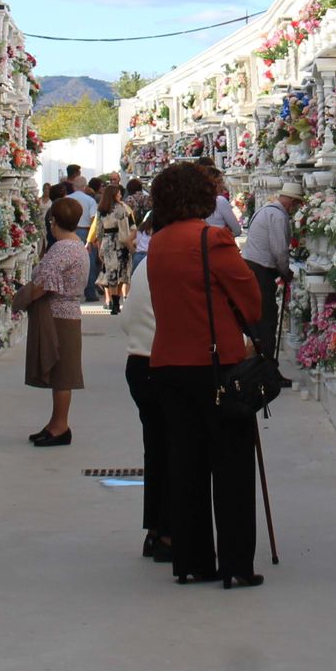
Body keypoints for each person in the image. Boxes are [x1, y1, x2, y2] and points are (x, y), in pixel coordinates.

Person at [146, 163, 264, 589]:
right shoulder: (211, 238)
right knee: (231, 465)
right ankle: (235, 564)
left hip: (167, 365)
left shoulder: (158, 243)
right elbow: (250, 301)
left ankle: (192, 560)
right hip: (215, 365)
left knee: (186, 463)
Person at [15, 197, 87, 447]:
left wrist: (21, 298)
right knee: (60, 373)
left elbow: (43, 285)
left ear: (53, 221)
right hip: (66, 312)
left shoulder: (62, 249)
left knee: (62, 373)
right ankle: (55, 422)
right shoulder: (76, 244)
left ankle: (60, 426)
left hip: (58, 315)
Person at [119, 256, 168, 562]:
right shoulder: (177, 262)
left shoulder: (144, 265)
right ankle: (168, 534)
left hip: (139, 362)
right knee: (178, 450)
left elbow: (127, 320)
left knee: (157, 449)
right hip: (164, 363)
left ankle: (155, 530)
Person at [241, 179, 301, 363]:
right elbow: (279, 250)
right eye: (297, 205)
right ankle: (266, 365)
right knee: (267, 317)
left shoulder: (266, 210)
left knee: (260, 316)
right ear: (292, 202)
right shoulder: (278, 216)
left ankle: (261, 361)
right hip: (261, 270)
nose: (296, 210)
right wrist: (285, 271)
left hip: (252, 266)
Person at [91, 182, 136, 314]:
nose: (120, 195)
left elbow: (99, 231)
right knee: (122, 273)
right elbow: (132, 227)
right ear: (114, 195)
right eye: (119, 193)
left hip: (107, 242)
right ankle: (117, 301)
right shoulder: (124, 208)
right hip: (122, 243)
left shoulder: (101, 211)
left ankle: (113, 301)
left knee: (111, 274)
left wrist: (99, 247)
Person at [65, 177, 99, 302]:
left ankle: (69, 292)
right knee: (89, 263)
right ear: (85, 186)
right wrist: (93, 237)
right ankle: (90, 292)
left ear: (73, 186)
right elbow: (93, 219)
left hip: (69, 231)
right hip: (86, 231)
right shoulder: (90, 200)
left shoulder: (67, 199)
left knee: (69, 262)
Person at [195, 159, 244, 237]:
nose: (223, 185)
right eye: (220, 181)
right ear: (213, 184)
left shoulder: (196, 201)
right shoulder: (219, 201)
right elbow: (237, 230)